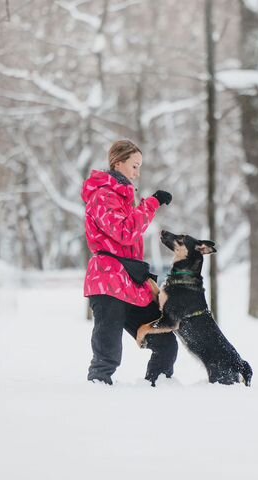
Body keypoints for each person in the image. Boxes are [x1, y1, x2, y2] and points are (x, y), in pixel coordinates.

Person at [82, 139, 177, 385]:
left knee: (165, 341)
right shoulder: (102, 196)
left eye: (139, 167)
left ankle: (158, 388)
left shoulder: (125, 197)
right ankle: (98, 392)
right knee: (107, 355)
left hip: (131, 282)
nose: (137, 172)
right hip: (107, 282)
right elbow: (124, 232)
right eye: (134, 166)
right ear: (118, 163)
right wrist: (152, 203)